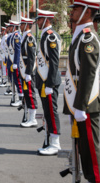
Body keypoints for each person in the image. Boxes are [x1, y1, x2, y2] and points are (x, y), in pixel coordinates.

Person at [63, 0, 100, 182]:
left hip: (86, 103)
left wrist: (80, 106)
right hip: (80, 101)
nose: (72, 12)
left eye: (76, 9)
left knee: (90, 152)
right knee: (82, 149)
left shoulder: (88, 39)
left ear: (87, 12)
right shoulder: (80, 37)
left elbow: (87, 74)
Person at [35, 9, 62, 155]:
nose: (37, 22)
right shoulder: (45, 36)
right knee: (47, 111)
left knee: (52, 112)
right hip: (44, 81)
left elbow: (54, 62)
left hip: (49, 81)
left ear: (46, 20)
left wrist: (50, 84)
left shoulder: (50, 37)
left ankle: (55, 143)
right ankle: (49, 141)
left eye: (39, 19)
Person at [18, 17, 38, 128]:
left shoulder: (29, 38)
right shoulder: (25, 37)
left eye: (22, 24)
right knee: (26, 94)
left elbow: (31, 57)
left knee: (30, 94)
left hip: (28, 71)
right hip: (24, 71)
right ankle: (30, 117)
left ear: (26, 25)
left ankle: (33, 119)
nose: (20, 26)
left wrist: (29, 73)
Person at [9, 20, 24, 107]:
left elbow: (18, 50)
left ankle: (21, 99)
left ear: (14, 27)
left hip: (17, 63)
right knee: (16, 80)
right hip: (13, 62)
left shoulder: (16, 36)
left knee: (18, 81)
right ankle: (20, 97)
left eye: (11, 26)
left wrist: (15, 63)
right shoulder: (13, 36)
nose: (9, 28)